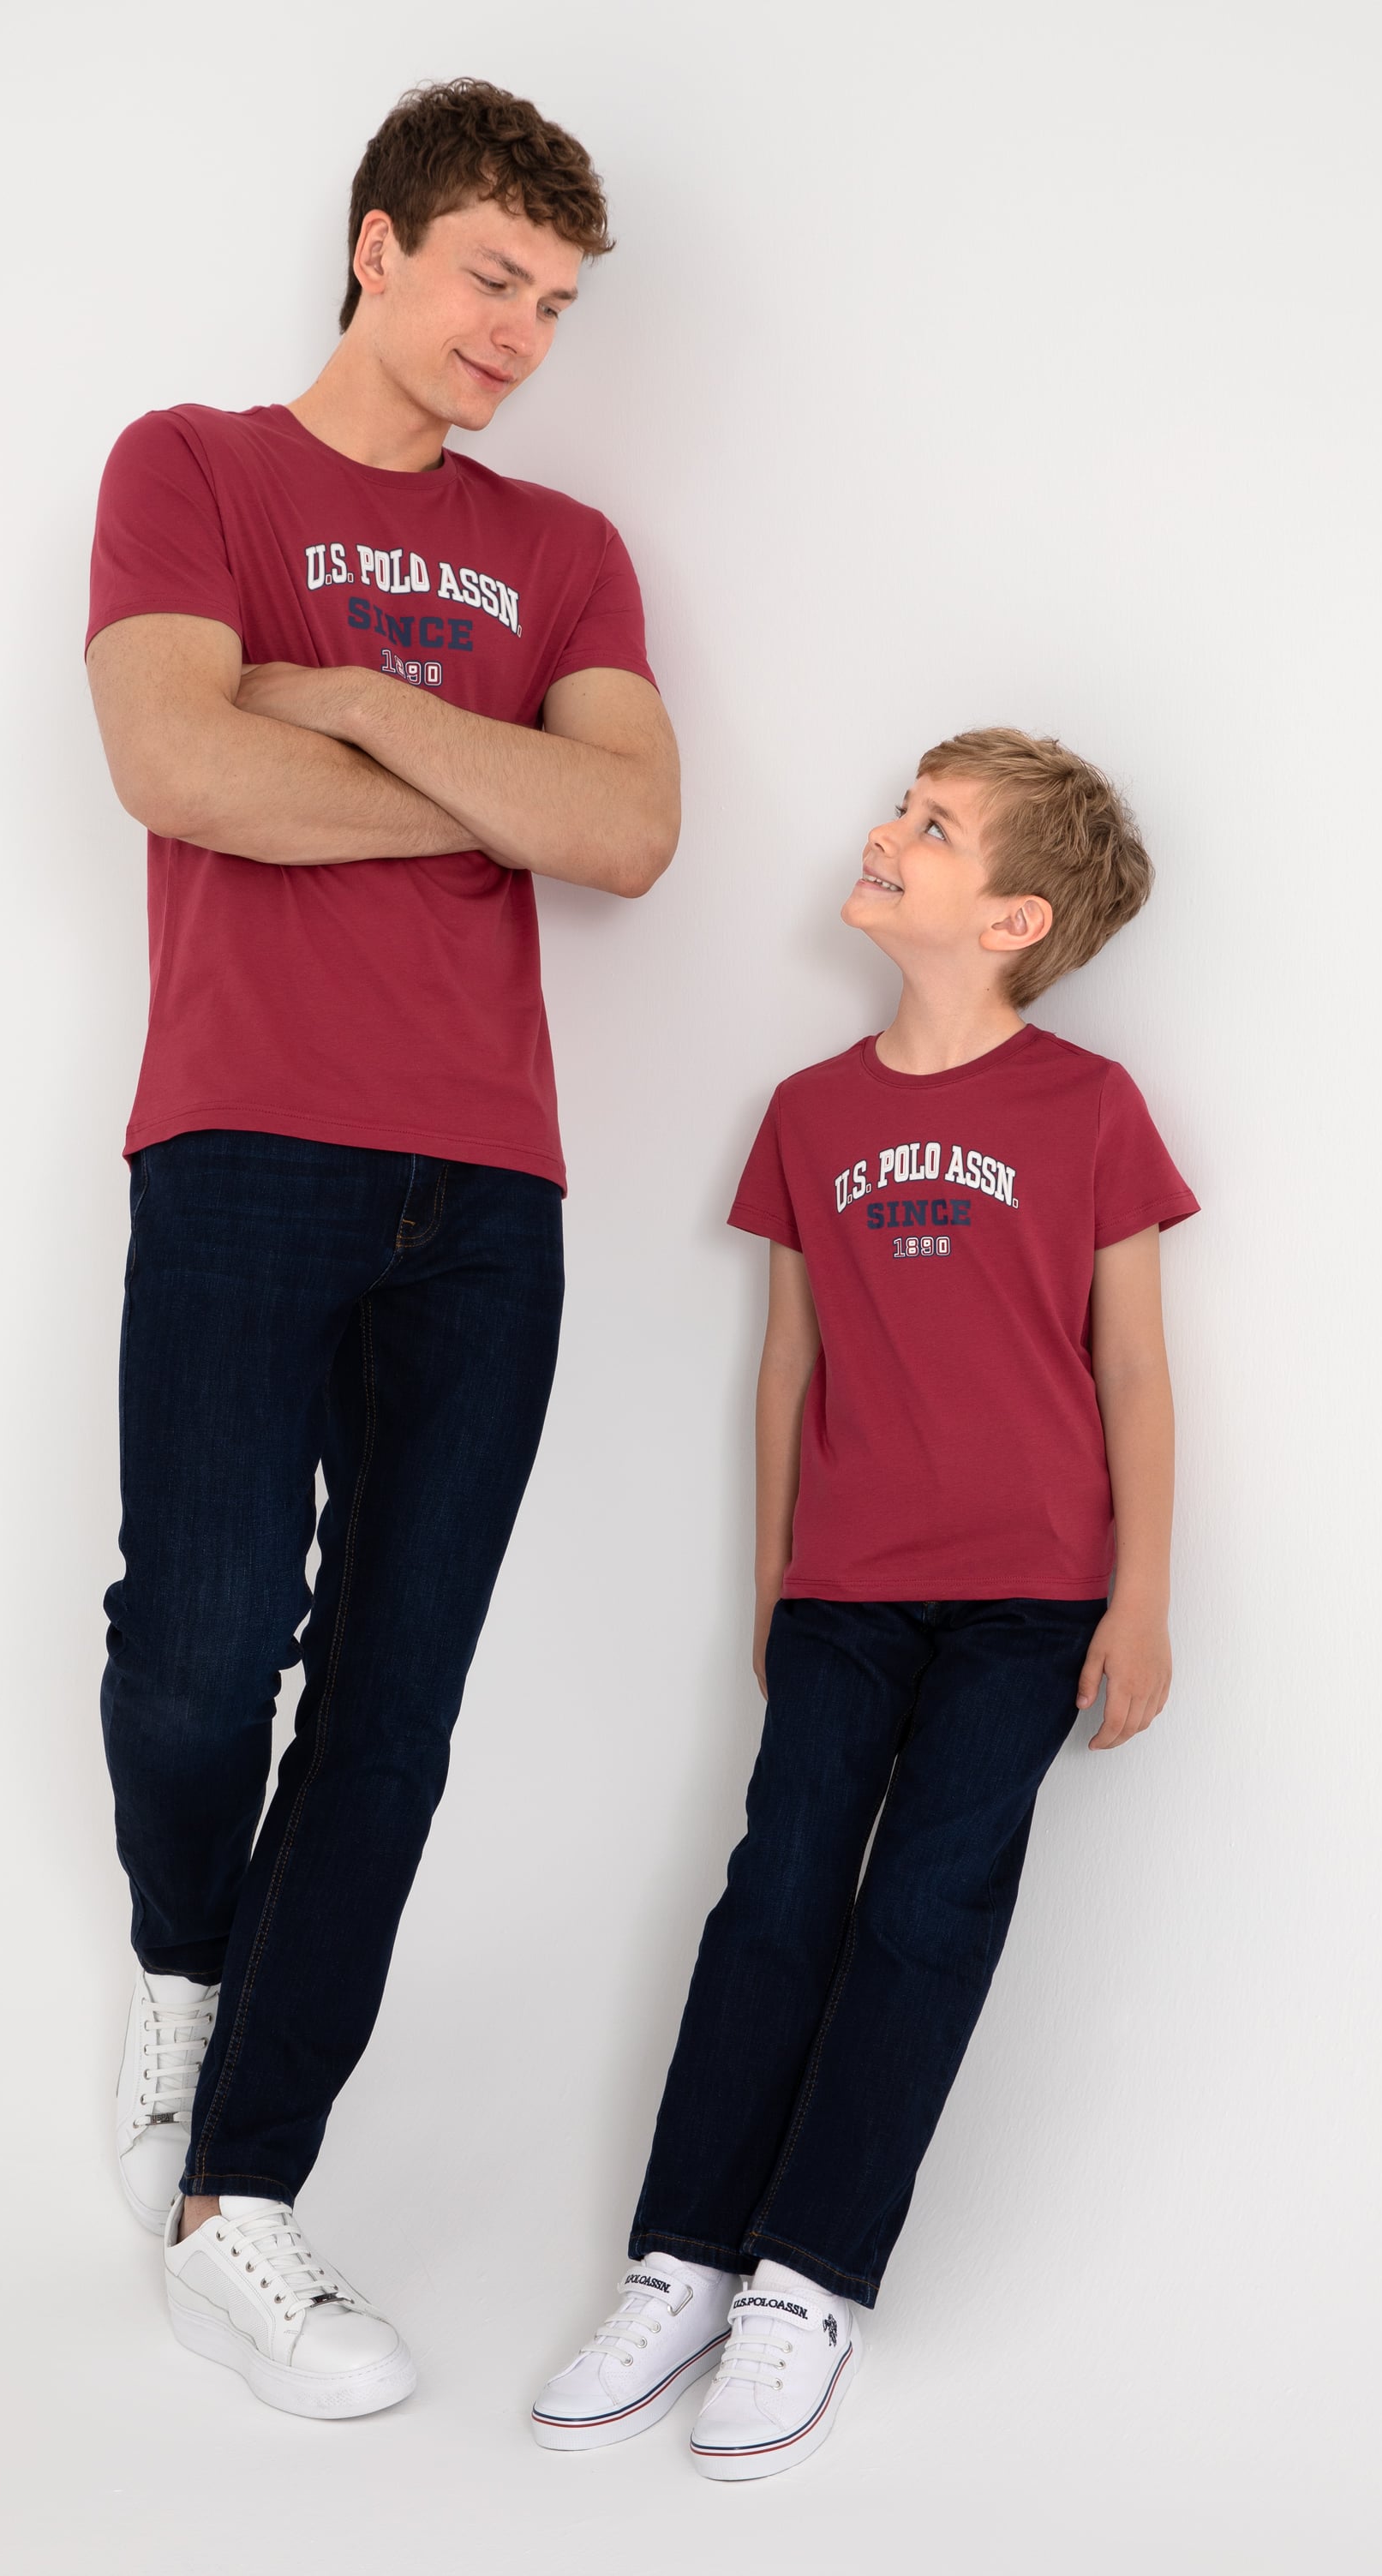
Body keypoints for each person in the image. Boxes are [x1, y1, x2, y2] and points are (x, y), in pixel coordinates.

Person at [87, 78, 679, 2421]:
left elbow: (624, 833)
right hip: (243, 1138)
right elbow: (176, 767)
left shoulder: (571, 547)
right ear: (376, 246)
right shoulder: (192, 466)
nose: (518, 330)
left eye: (555, 301)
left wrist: (337, 695)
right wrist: (475, 777)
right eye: (489, 277)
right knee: (197, 1651)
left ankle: (240, 2203)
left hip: (491, 1188)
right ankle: (184, 1956)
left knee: (393, 1707)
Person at [533, 728, 1197, 2477]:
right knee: (775, 1897)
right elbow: (788, 1363)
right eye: (903, 806)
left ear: (1014, 917)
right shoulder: (810, 1112)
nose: (889, 833)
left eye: (936, 826)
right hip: (843, 1591)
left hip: (1029, 1601)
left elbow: (1135, 1370)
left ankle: (808, 2280)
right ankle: (685, 2257)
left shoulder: (1091, 1108)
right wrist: (773, 1576)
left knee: (921, 1915)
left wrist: (1141, 1599)